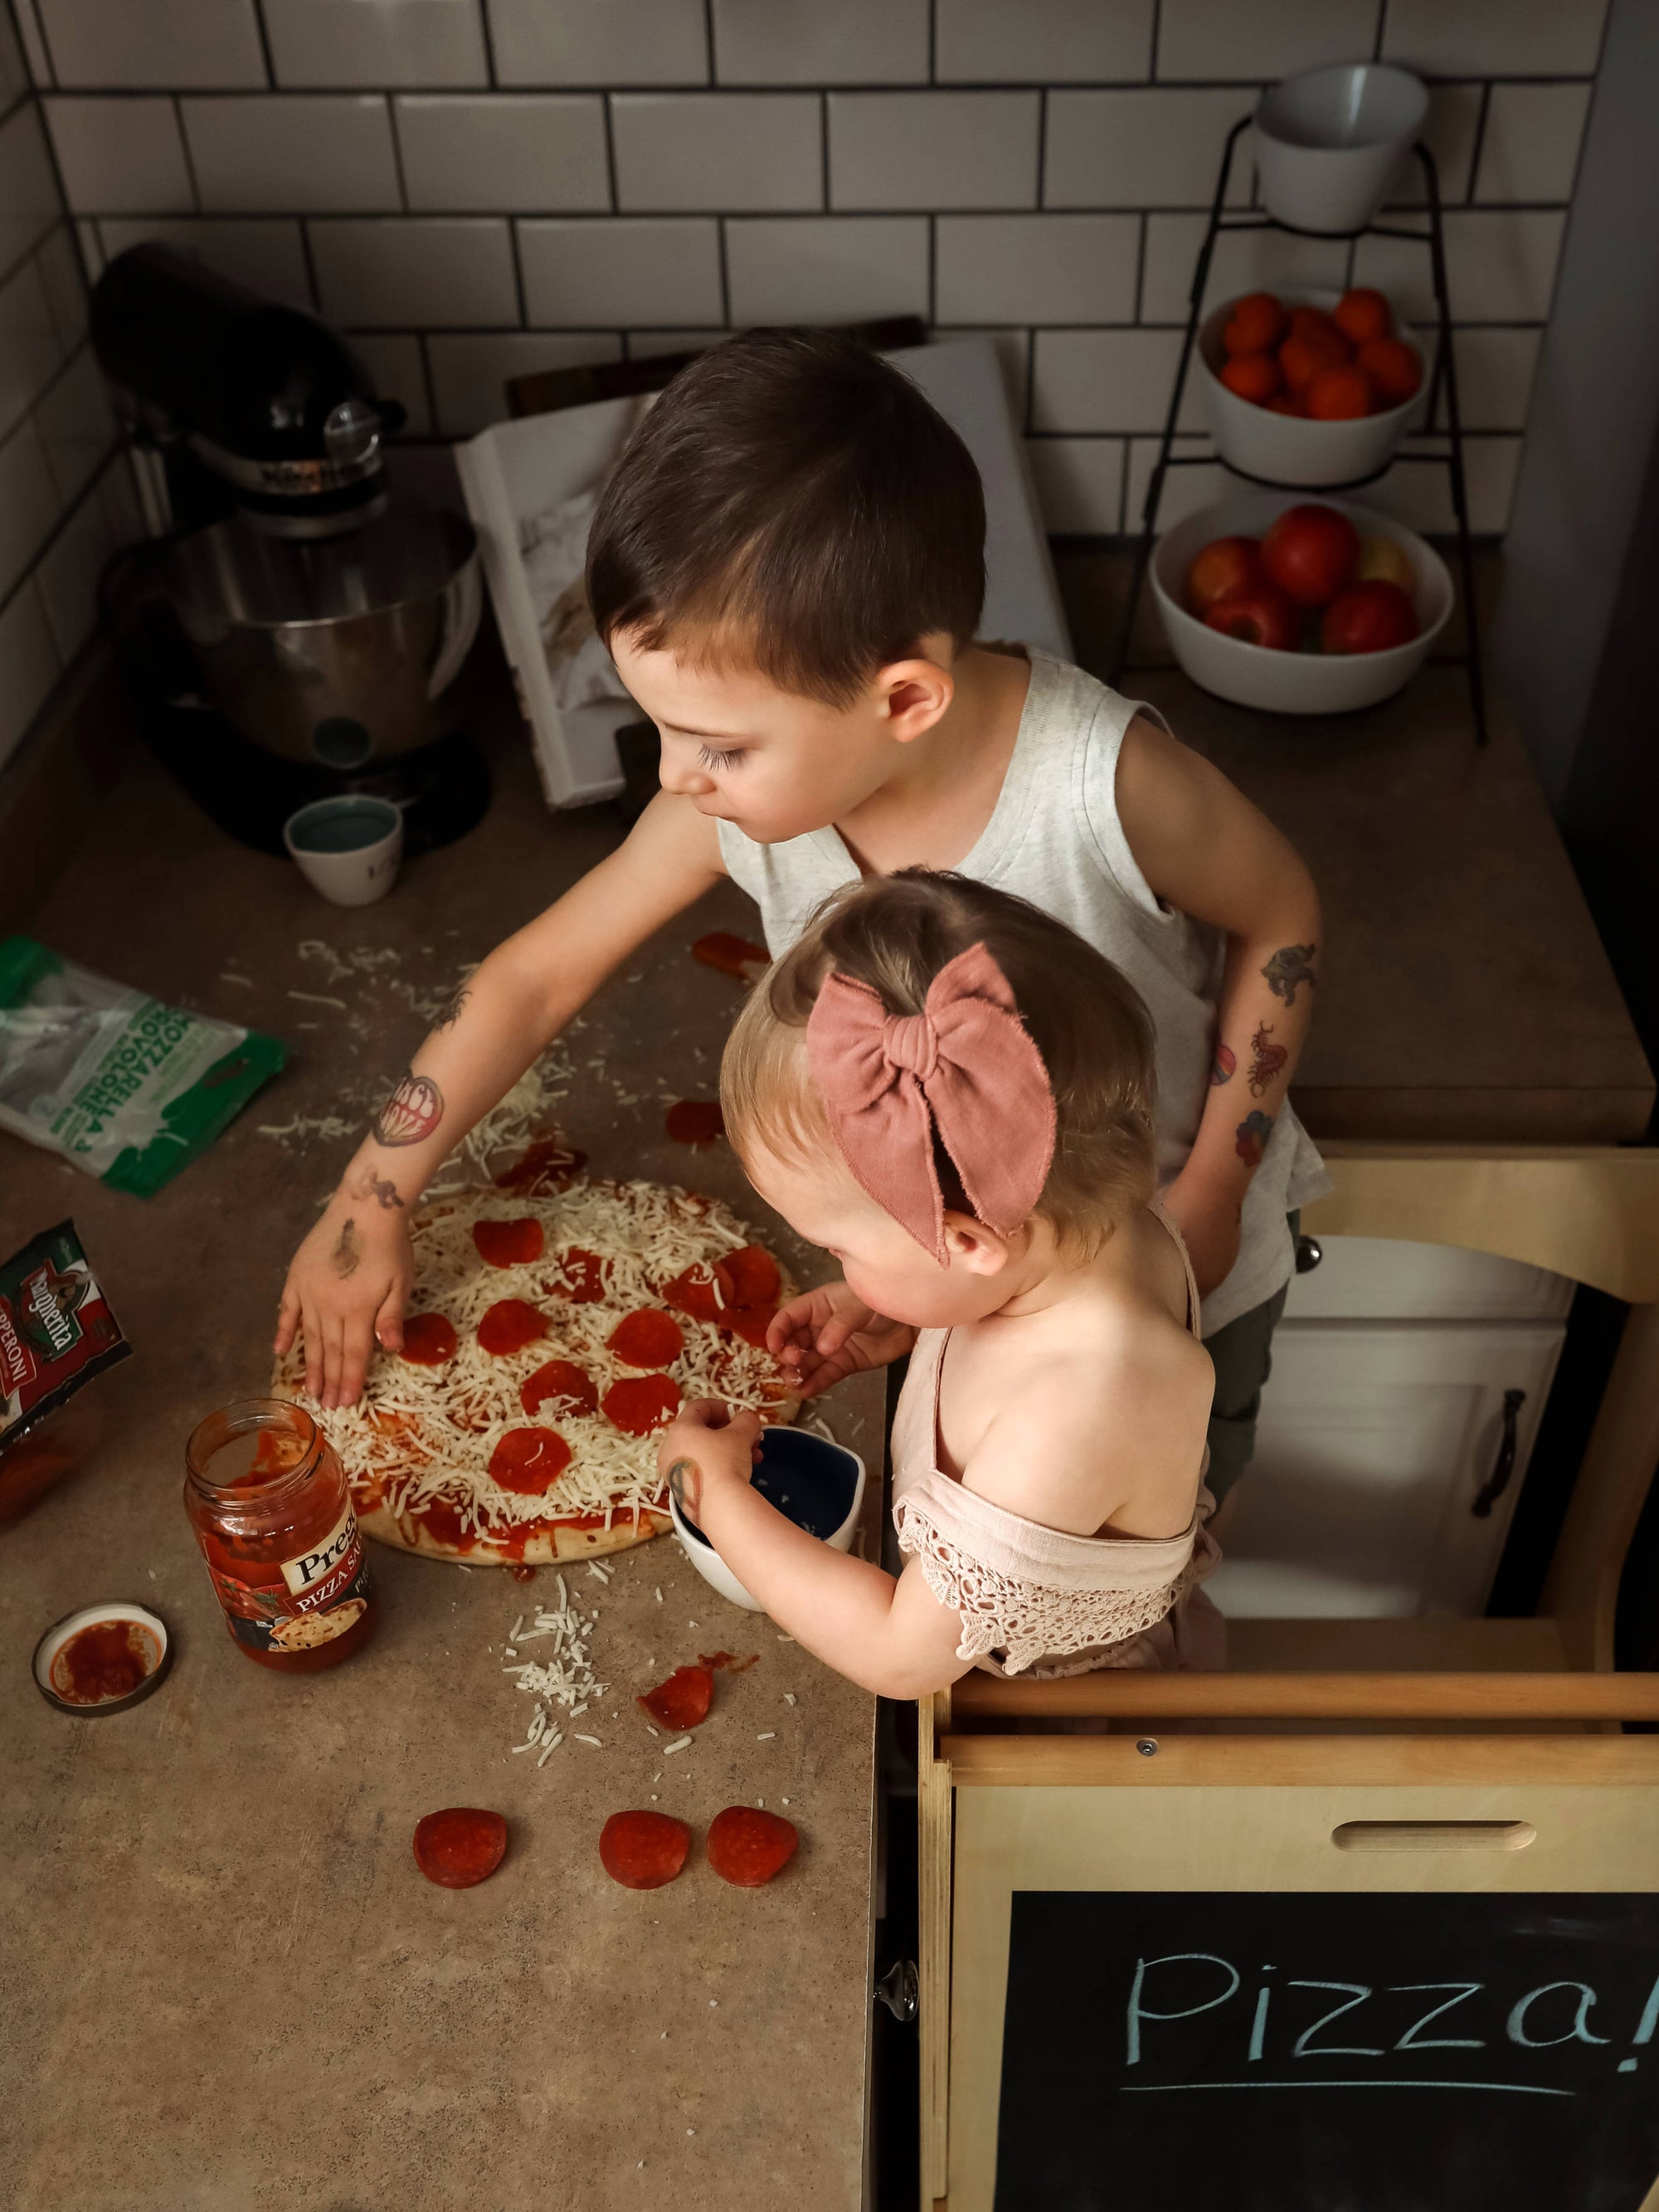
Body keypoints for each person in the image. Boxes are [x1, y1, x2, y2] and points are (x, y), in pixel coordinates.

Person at [275, 329, 1327, 1508]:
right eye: (661, 726)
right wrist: (370, 1197)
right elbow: (534, 977)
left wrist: (1216, 1194)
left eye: (720, 742)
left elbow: (1280, 908)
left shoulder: (1101, 780)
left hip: (1166, 1269)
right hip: (952, 1272)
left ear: (904, 699)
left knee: (1153, 1553)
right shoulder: (739, 798)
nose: (678, 776)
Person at [660, 870, 1220, 1693]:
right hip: (963, 1605)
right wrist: (897, 1303)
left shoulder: (1082, 1405)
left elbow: (898, 1656)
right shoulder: (1081, 1220)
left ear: (960, 1241)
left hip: (1047, 1697)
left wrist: (714, 1495)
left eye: (841, 1249)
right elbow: (999, 1287)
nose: (835, 1270)